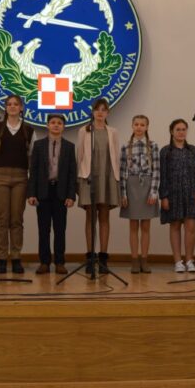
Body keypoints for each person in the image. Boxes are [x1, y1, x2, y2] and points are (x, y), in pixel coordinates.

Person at [0, 94, 36, 274]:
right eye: (9, 104)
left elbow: (32, 157)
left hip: (20, 177)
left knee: (16, 219)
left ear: (21, 107)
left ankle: (16, 257)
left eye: (16, 104)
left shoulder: (29, 131)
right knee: (2, 219)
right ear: (5, 107)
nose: (13, 107)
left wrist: (31, 182)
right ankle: (1, 258)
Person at [27, 114, 77, 274]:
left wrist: (71, 195)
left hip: (61, 192)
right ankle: (44, 262)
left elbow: (72, 173)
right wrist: (31, 193)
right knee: (43, 229)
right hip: (43, 191)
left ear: (63, 126)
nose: (56, 125)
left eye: (59, 123)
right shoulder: (39, 145)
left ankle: (60, 262)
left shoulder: (69, 146)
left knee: (60, 229)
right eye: (53, 123)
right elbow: (33, 171)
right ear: (47, 125)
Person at [76, 98, 121, 273]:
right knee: (90, 218)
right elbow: (80, 156)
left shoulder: (113, 132)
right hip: (88, 177)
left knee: (104, 217)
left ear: (107, 113)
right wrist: (78, 180)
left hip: (107, 177)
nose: (100, 113)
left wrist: (116, 179)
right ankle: (90, 256)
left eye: (103, 110)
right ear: (92, 112)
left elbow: (115, 156)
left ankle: (103, 257)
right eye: (97, 109)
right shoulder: (84, 131)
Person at [159, 118, 195, 273]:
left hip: (191, 194)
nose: (181, 132)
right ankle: (178, 261)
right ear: (172, 131)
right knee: (175, 226)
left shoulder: (193, 150)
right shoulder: (166, 151)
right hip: (173, 194)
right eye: (178, 129)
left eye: (183, 129)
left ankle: (189, 260)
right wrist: (164, 196)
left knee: (190, 226)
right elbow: (163, 175)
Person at [119, 115, 160, 274]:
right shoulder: (126, 146)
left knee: (146, 226)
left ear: (147, 127)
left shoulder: (153, 146)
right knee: (133, 225)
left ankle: (144, 259)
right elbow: (123, 172)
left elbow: (156, 170)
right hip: (131, 186)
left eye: (142, 125)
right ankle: (134, 260)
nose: (139, 127)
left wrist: (154, 192)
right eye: (136, 124)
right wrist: (123, 194)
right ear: (132, 126)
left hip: (148, 186)